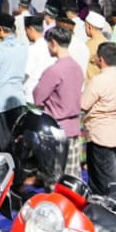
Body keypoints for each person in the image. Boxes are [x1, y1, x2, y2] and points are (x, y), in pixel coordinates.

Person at [34, 25, 84, 172]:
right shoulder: (77, 67)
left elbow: (37, 97)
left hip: (56, 129)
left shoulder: (54, 71)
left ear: (53, 43)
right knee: (71, 175)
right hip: (74, 127)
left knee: (54, 176)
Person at [81, 41, 116, 191]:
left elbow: (83, 104)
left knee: (102, 178)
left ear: (100, 59)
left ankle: (107, 202)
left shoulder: (98, 80)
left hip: (100, 133)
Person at [0, 13, 28, 151]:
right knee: (15, 141)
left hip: (0, 102)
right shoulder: (23, 46)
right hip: (17, 99)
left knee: (0, 146)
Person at [21, 15, 50, 102]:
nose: (26, 34)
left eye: (26, 31)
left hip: (31, 96)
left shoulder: (32, 49)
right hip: (46, 94)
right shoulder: (49, 47)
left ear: (30, 29)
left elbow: (25, 73)